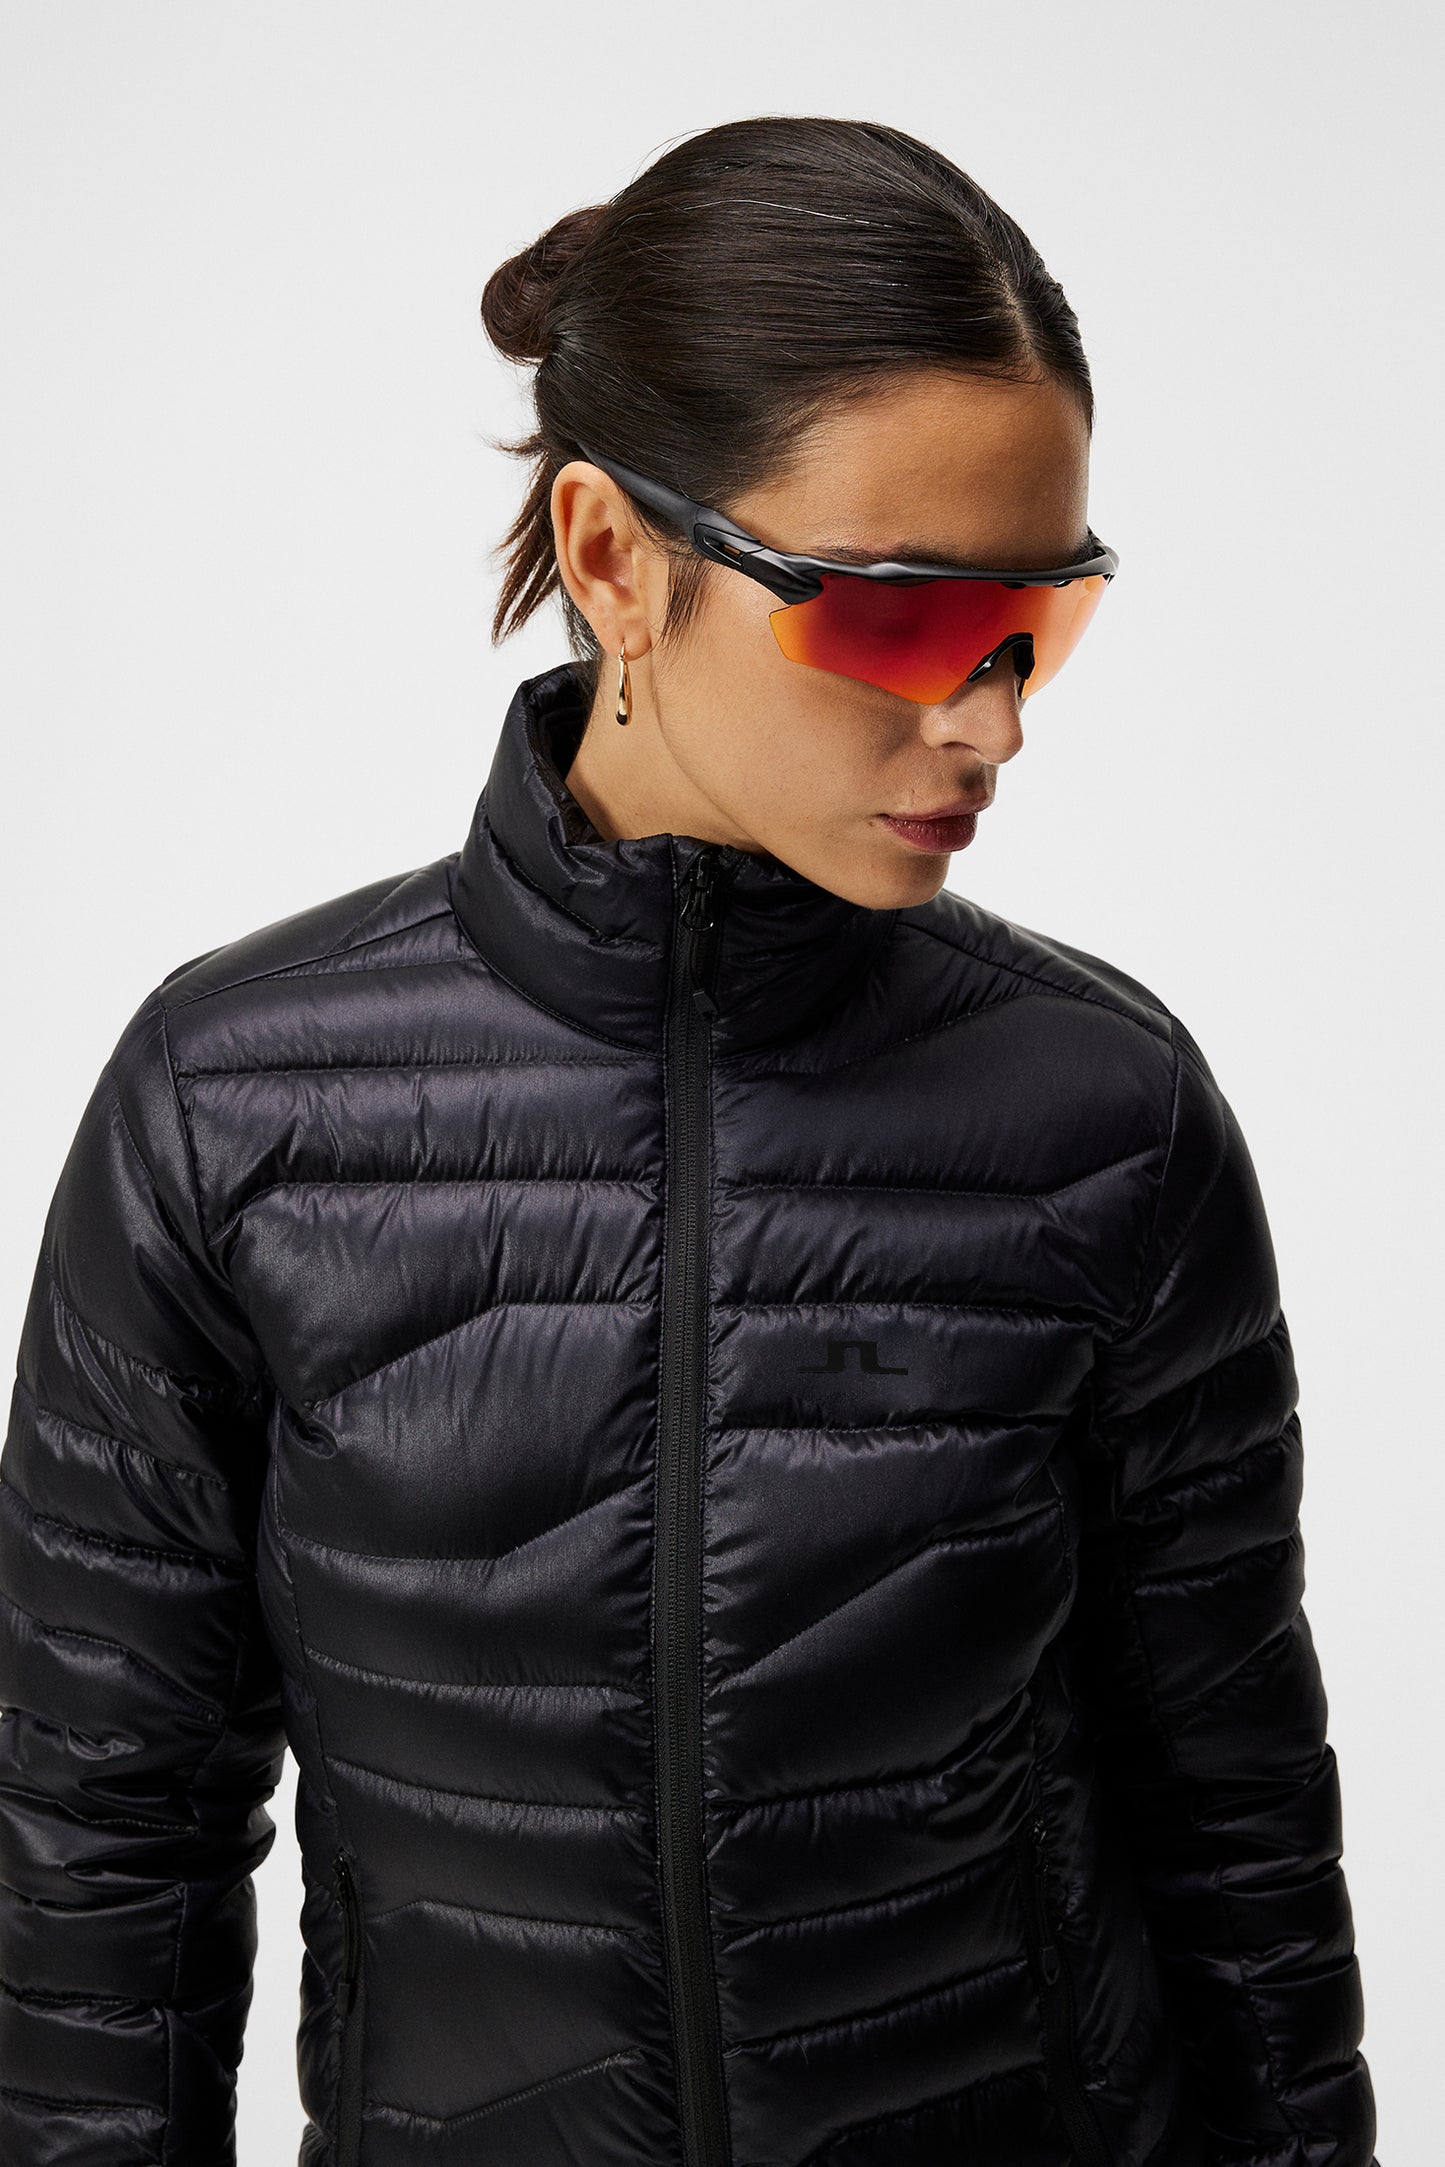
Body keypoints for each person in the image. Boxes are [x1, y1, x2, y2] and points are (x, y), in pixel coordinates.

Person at [0, 114, 1379, 2167]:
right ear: (610, 558)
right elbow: (101, 1850)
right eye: (901, 618)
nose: (992, 718)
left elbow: (1237, 1833)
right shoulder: (233, 1109)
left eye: (1040, 615)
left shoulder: (1107, 1119)